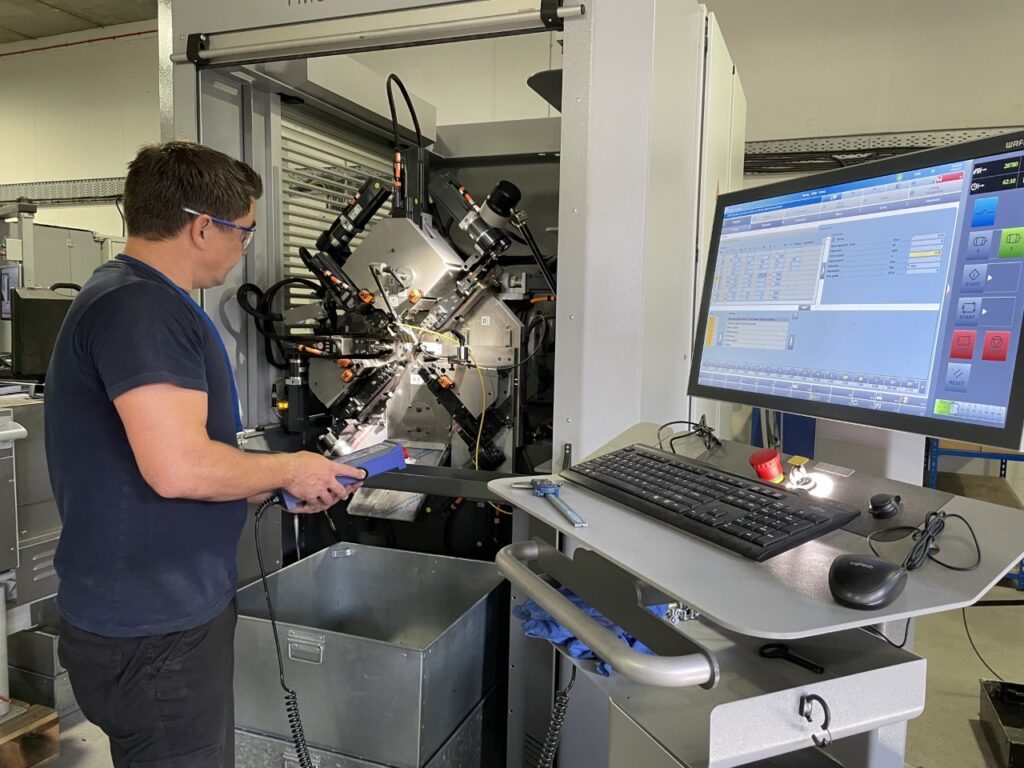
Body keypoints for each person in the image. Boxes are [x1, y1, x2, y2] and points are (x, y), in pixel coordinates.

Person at [43, 140, 361, 768]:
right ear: (200, 227)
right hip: (153, 628)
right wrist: (291, 466)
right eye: (242, 232)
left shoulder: (133, 298)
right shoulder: (142, 308)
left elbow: (175, 462)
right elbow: (179, 467)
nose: (244, 249)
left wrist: (270, 483)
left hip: (151, 618)